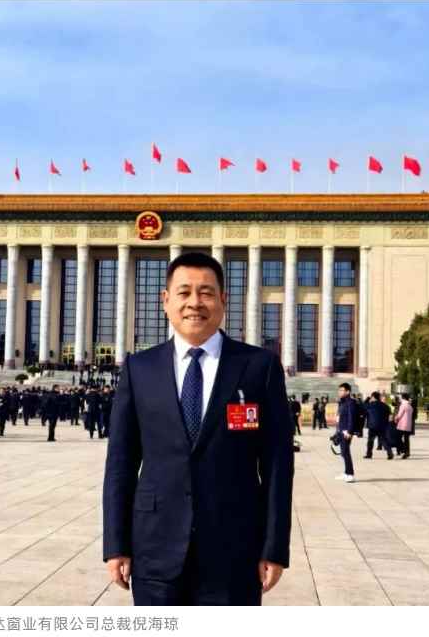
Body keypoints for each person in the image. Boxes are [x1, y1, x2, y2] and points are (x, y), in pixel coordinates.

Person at [103, 252, 293, 606]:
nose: (194, 303)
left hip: (235, 551)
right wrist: (116, 544)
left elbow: (277, 466)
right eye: (184, 292)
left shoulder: (258, 366)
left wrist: (274, 547)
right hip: (155, 550)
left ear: (223, 299)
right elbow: (121, 464)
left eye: (206, 292)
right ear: (165, 301)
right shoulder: (139, 368)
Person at [334, 383, 357, 482]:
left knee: (345, 452)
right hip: (341, 430)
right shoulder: (342, 402)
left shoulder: (351, 402)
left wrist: (349, 431)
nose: (339, 392)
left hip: (346, 431)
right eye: (339, 390)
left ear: (348, 392)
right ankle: (346, 472)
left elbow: (352, 418)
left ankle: (350, 474)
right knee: (343, 453)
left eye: (342, 390)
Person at [364, 391, 393, 459]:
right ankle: (390, 453)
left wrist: (367, 399)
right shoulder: (385, 406)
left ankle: (369, 454)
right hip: (382, 426)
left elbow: (363, 407)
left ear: (373, 397)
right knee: (384, 440)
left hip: (372, 426)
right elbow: (389, 415)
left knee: (370, 441)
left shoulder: (370, 405)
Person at [394, 393, 413, 458]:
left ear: (403, 398)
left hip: (402, 424)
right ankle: (407, 452)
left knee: (397, 438)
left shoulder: (403, 405)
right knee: (406, 439)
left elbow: (400, 414)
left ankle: (403, 449)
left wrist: (396, 419)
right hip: (408, 425)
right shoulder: (410, 405)